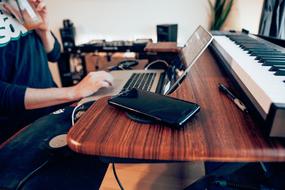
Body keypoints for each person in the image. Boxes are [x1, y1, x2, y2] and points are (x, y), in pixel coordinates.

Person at [0, 0, 114, 142]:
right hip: (17, 131)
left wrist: (43, 29)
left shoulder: (17, 4)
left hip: (50, 111)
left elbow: (54, 54)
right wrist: (73, 92)